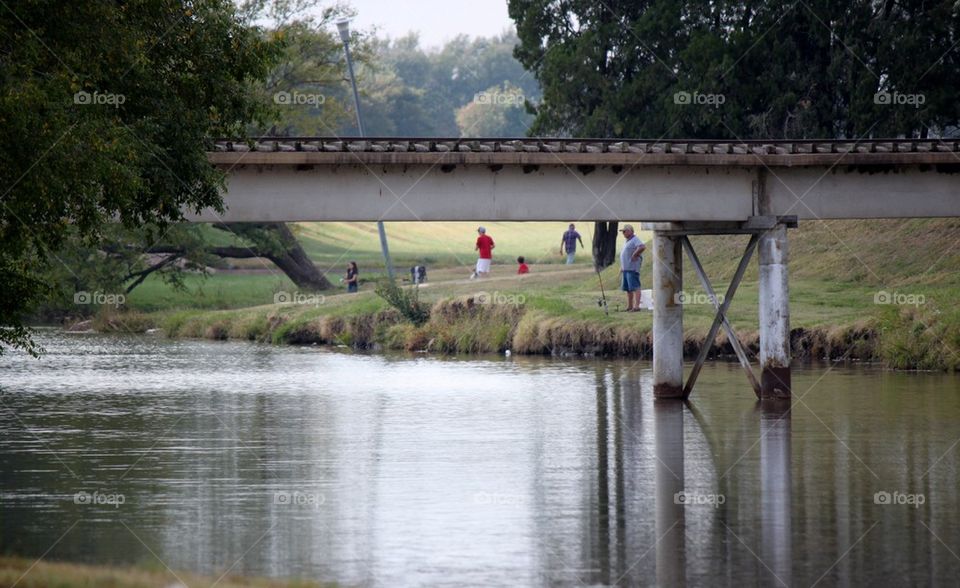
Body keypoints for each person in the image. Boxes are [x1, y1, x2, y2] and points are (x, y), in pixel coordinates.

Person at [618, 225, 646, 311]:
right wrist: (622, 266)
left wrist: (635, 254)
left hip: (632, 268)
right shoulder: (627, 241)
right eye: (622, 231)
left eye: (624, 231)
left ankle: (636, 306)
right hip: (626, 269)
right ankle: (629, 306)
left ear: (630, 231)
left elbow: (642, 246)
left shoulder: (635, 239)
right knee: (628, 289)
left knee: (635, 287)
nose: (623, 233)